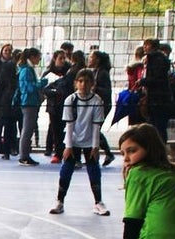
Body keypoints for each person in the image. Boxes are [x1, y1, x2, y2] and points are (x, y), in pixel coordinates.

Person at [47, 69, 108, 217]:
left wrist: (95, 146)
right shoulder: (70, 100)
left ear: (92, 84)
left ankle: (98, 202)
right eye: (80, 81)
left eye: (87, 81)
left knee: (94, 170)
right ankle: (60, 201)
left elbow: (96, 126)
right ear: (76, 83)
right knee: (66, 170)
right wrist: (68, 146)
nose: (83, 84)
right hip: (72, 140)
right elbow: (69, 125)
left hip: (89, 140)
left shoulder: (97, 101)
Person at [15, 48, 48, 166]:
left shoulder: (29, 69)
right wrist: (42, 83)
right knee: (27, 130)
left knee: (28, 129)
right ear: (32, 57)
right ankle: (23, 156)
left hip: (32, 102)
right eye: (38, 56)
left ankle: (25, 154)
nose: (39, 59)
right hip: (28, 102)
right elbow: (28, 88)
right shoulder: (26, 70)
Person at [139, 38, 173, 143]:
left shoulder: (157, 59)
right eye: (144, 45)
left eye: (147, 45)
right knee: (155, 125)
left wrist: (143, 81)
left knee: (158, 126)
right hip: (156, 98)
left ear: (153, 46)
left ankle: (160, 150)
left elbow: (157, 78)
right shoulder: (153, 58)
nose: (144, 47)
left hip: (159, 99)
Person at [0, 43, 17, 158]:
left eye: (9, 51)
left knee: (12, 124)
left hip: (11, 97)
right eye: (5, 51)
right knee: (0, 123)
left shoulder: (14, 65)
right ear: (2, 52)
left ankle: (12, 146)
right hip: (1, 96)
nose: (7, 53)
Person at [87, 49, 115, 166]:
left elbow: (107, 91)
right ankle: (105, 153)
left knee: (95, 130)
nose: (89, 58)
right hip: (97, 105)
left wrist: (95, 89)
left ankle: (106, 153)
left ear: (97, 59)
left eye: (91, 57)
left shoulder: (102, 73)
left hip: (102, 106)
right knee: (93, 130)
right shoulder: (95, 71)